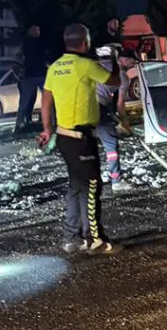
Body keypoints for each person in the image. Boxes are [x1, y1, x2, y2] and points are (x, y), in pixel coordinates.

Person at [39, 23, 122, 255]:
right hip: (81, 137)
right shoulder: (85, 65)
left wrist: (47, 129)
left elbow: (46, 100)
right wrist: (114, 59)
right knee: (93, 185)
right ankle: (95, 239)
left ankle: (72, 237)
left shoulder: (55, 68)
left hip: (64, 137)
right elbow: (113, 81)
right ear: (85, 43)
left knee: (76, 186)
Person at [94, 48, 138, 193]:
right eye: (132, 62)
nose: (133, 65)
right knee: (111, 144)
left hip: (80, 108)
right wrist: (124, 123)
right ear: (124, 60)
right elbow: (120, 104)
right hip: (98, 109)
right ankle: (116, 181)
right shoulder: (123, 77)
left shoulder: (101, 63)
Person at [16, 25, 46, 133]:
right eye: (35, 30)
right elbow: (19, 57)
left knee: (45, 99)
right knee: (25, 101)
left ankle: (20, 124)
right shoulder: (26, 43)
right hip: (32, 74)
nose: (37, 31)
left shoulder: (38, 43)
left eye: (38, 29)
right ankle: (19, 124)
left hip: (36, 74)